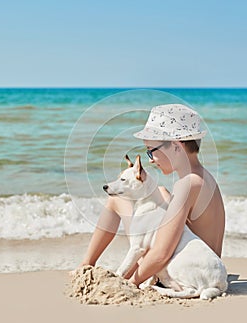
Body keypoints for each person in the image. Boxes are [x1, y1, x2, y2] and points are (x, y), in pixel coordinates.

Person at [76, 103, 225, 288]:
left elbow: (162, 253)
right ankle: (91, 265)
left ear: (176, 146)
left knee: (116, 199)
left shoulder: (187, 185)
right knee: (160, 193)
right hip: (204, 268)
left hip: (185, 270)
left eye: (151, 151)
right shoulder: (203, 177)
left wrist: (131, 283)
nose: (150, 160)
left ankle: (87, 264)